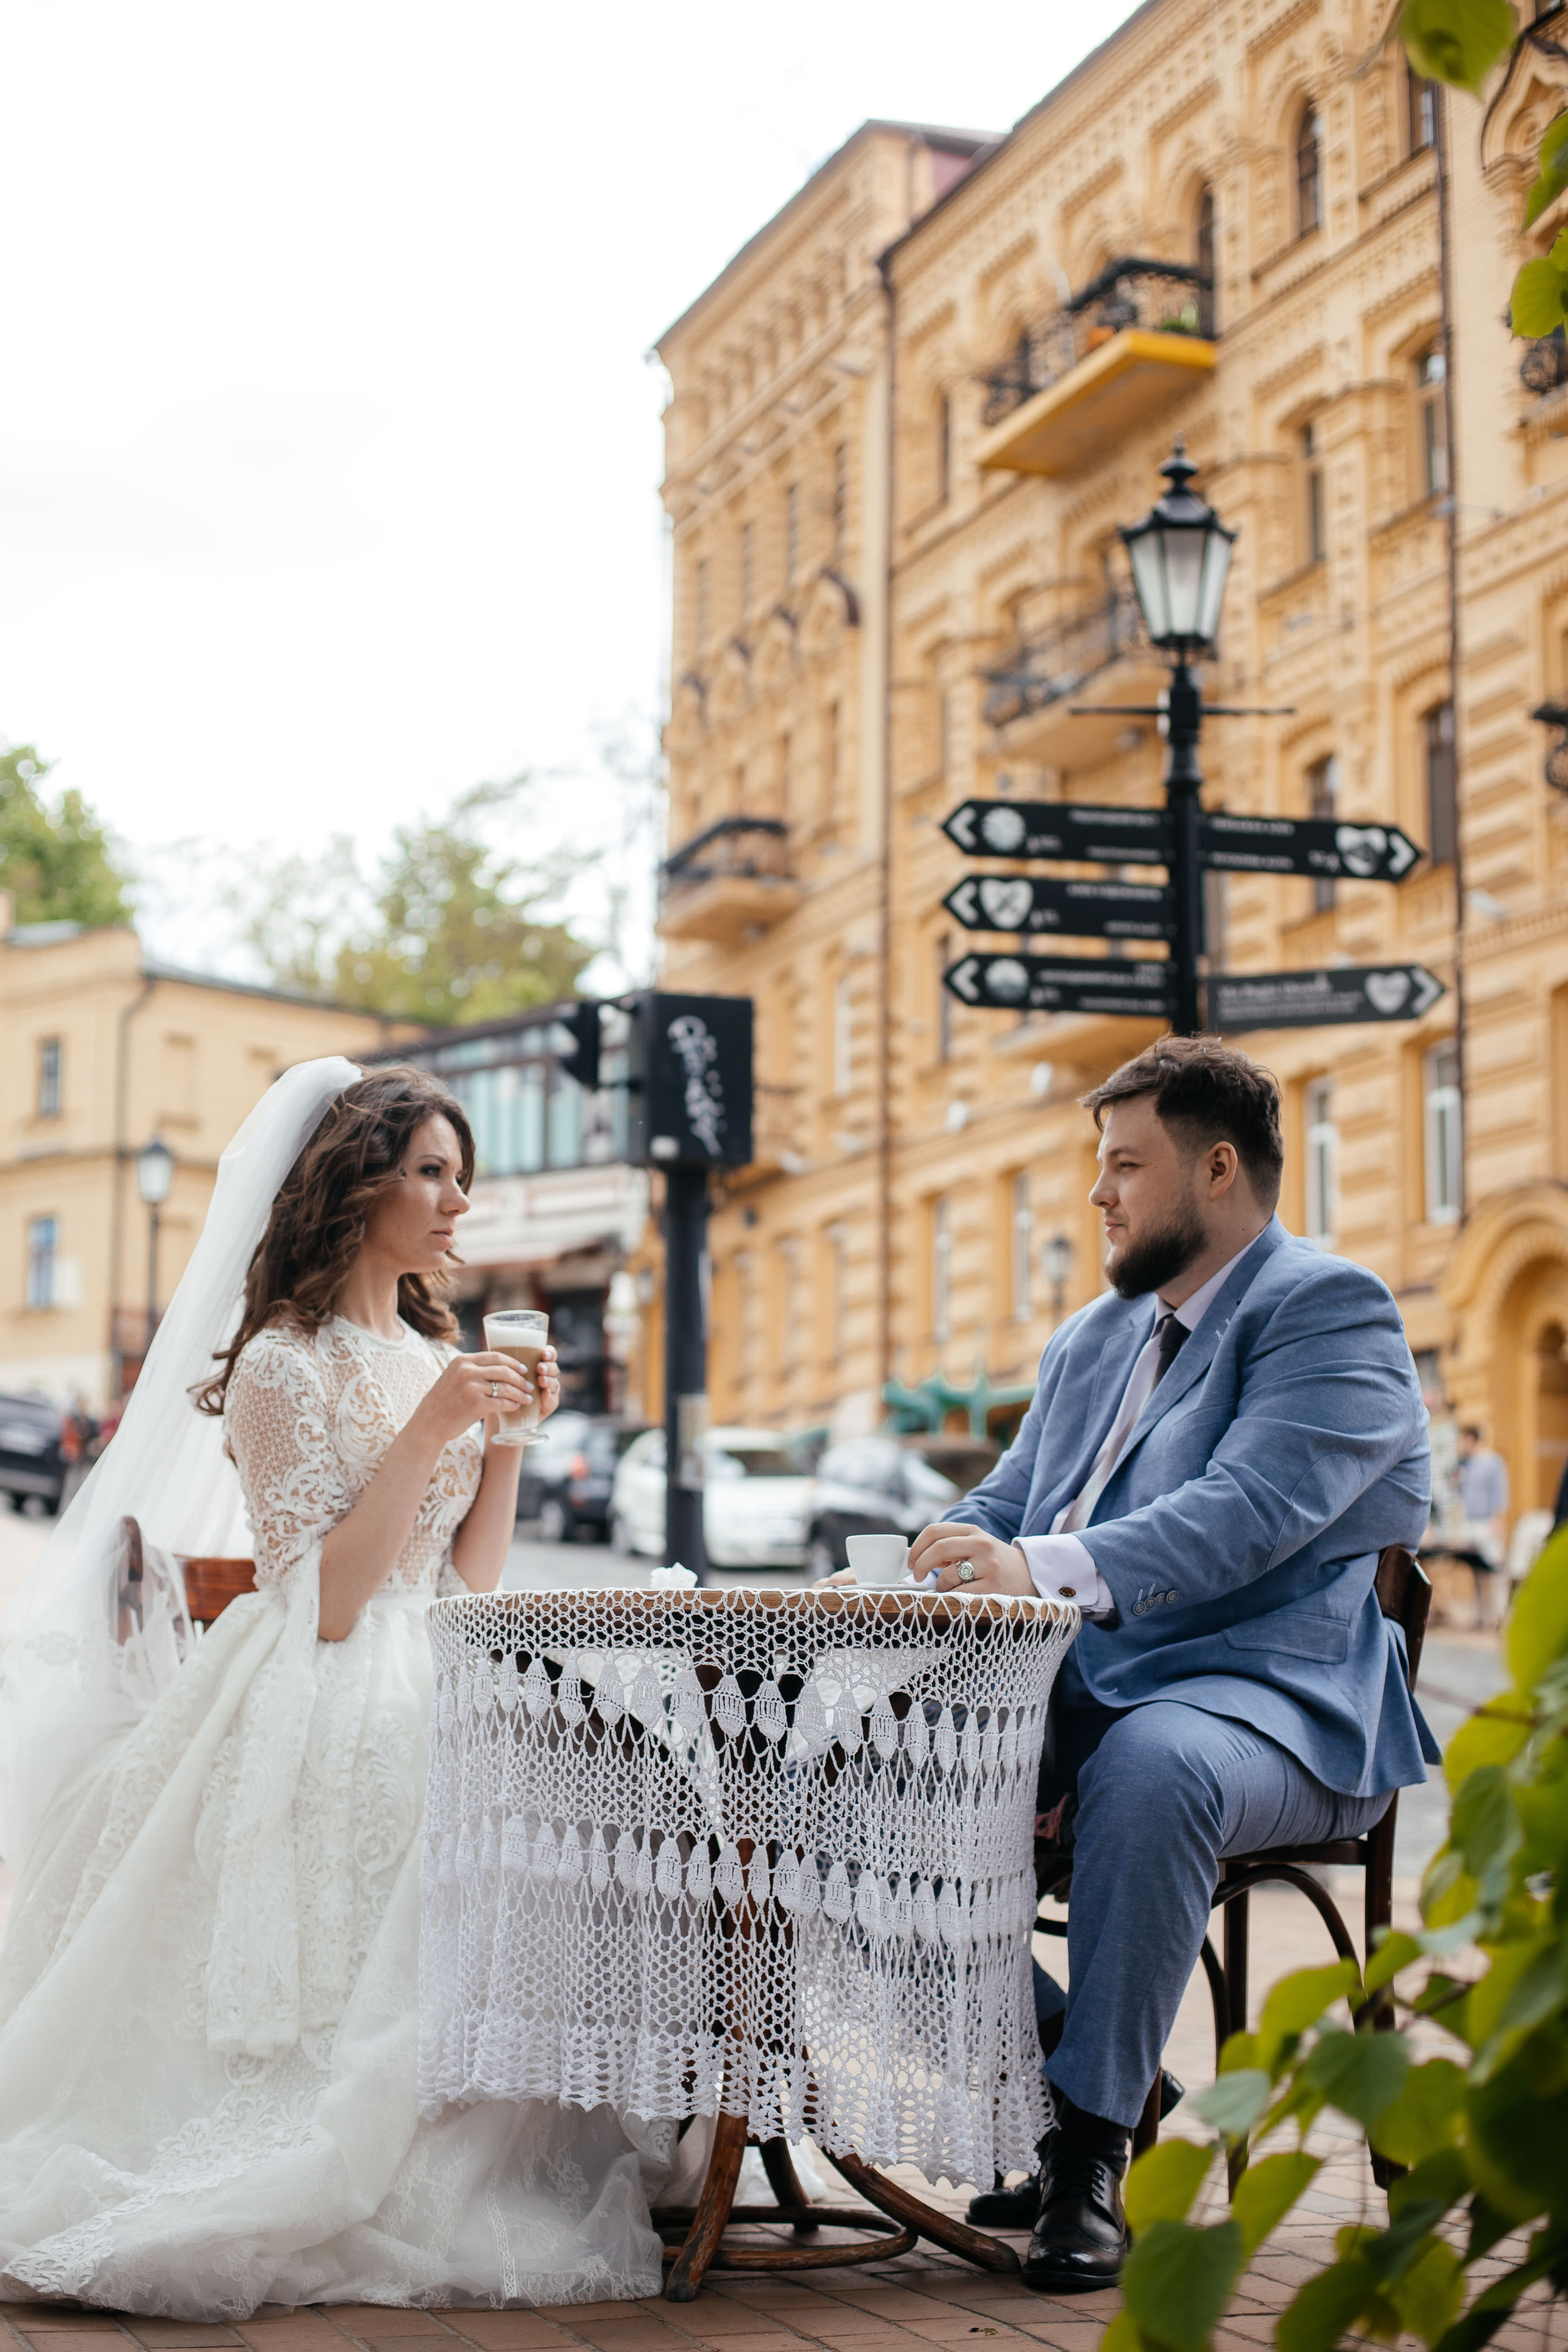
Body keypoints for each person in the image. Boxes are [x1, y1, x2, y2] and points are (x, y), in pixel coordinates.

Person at [0, 1061, 669, 2316]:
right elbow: (331, 1600)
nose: (457, 1200)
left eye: (461, 1176)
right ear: (355, 1185)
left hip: (434, 1660)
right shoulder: (280, 1365)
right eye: (430, 1172)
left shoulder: (434, 1350)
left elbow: (462, 1580)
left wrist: (506, 1438)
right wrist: (431, 1431)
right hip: (321, 1678)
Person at [905, 1038, 1434, 2294]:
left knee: (1153, 1765)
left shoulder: (1326, 1307)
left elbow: (1246, 1512)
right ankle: (1090, 2074)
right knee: (864, 1770)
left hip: (1276, 1709)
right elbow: (1007, 1497)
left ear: (1213, 1169)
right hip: (1080, 1701)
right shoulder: (1094, 1336)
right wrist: (961, 1543)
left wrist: (1036, 1568)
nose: (1096, 1194)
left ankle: (1088, 2159)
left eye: (1122, 1167)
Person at [1450, 1425, 1510, 1626]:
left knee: (1494, 1571)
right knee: (1475, 1569)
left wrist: (1498, 1522)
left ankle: (1499, 1616)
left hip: (1488, 1523)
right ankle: (1481, 1616)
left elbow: (1500, 1492)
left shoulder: (1492, 1462)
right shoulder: (1464, 1465)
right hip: (1470, 1523)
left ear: (1471, 1440)